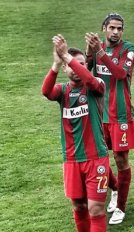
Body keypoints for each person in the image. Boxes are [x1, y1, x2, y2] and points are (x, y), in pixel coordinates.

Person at [42, 36, 110, 232]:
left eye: (80, 64)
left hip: (96, 159)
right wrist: (56, 64)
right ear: (65, 69)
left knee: (95, 209)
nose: (75, 67)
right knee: (79, 207)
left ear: (86, 66)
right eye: (70, 65)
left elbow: (89, 79)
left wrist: (66, 56)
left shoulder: (95, 85)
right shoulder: (62, 91)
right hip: (71, 160)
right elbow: (46, 91)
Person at [85, 13, 134, 225]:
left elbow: (118, 74)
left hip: (121, 114)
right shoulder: (98, 50)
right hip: (98, 113)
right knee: (96, 156)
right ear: (104, 28)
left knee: (120, 159)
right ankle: (115, 188)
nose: (115, 32)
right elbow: (85, 73)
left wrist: (99, 52)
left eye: (119, 28)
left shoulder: (129, 49)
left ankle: (121, 207)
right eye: (112, 28)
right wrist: (89, 52)